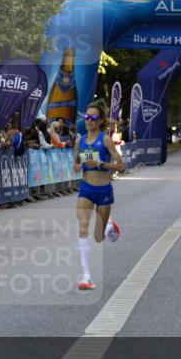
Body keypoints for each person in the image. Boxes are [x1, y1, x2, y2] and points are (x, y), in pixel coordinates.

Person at [73, 101, 125, 291]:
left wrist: (102, 164)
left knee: (98, 238)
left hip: (103, 190)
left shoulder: (106, 140)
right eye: (86, 117)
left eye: (93, 118)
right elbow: (76, 165)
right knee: (83, 226)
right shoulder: (80, 141)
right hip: (86, 189)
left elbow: (121, 166)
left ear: (100, 120)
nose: (89, 121)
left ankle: (109, 225)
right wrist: (80, 164)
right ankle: (86, 276)